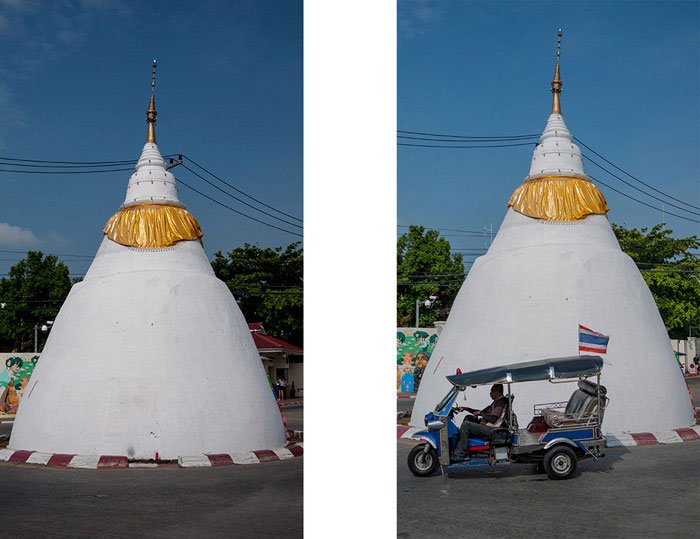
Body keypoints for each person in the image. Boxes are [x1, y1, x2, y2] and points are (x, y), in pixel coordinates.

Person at [453, 383, 509, 461]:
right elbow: (481, 412)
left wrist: (481, 414)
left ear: (498, 392)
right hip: (487, 425)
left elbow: (493, 419)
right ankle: (462, 444)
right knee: (468, 418)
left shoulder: (500, 403)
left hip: (492, 429)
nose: (490, 394)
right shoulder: (495, 402)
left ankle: (459, 454)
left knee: (466, 425)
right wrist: (466, 408)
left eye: (492, 391)